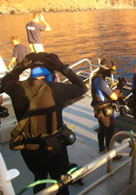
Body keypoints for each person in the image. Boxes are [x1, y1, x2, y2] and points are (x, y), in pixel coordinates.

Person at [0, 53, 88, 194]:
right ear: (50, 71)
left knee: (38, 178)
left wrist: (20, 66)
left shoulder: (16, 88)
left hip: (29, 149)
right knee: (61, 181)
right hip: (55, 148)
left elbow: (3, 83)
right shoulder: (57, 89)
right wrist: (62, 68)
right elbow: (82, 87)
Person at [91, 57, 125, 153]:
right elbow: (114, 96)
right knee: (109, 132)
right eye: (112, 70)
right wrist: (120, 86)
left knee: (102, 129)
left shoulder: (96, 78)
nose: (112, 72)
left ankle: (101, 148)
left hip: (98, 109)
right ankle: (111, 154)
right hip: (104, 110)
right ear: (107, 69)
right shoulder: (101, 82)